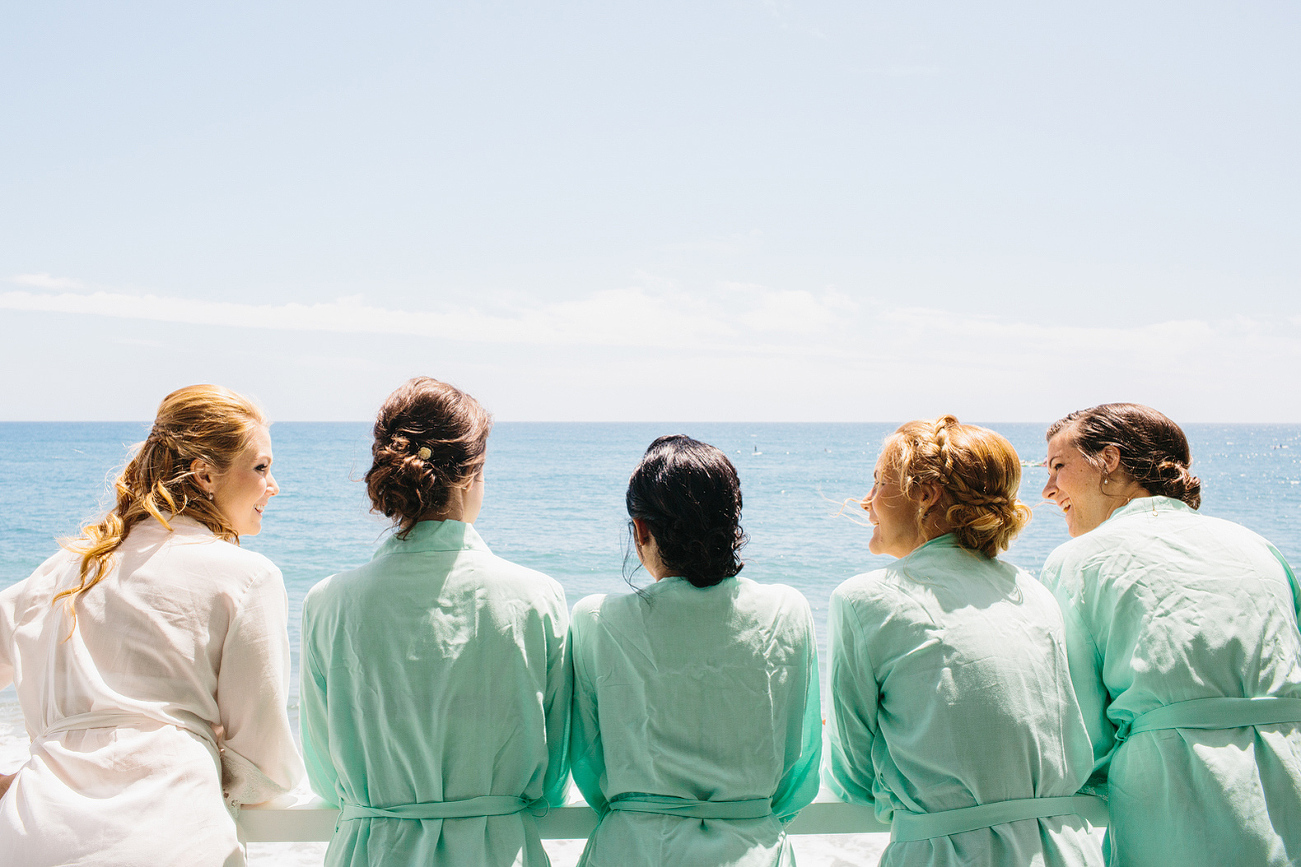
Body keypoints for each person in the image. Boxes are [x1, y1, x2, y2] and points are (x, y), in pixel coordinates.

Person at [0, 384, 304, 867]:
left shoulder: (59, 571)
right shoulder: (247, 577)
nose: (274, 485)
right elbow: (262, 759)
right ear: (205, 473)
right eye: (262, 467)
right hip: (172, 831)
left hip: (33, 831)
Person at [300, 376, 570, 867]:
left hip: (371, 851)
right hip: (498, 849)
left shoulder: (329, 602)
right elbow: (550, 778)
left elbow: (324, 774)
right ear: (471, 474)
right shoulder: (537, 597)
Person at [826, 416, 1103, 867]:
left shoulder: (865, 600)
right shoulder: (1033, 592)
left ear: (924, 493)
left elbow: (852, 775)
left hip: (950, 853)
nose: (866, 501)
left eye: (879, 482)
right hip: (1066, 847)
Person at [1039, 403, 1301, 866]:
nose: (1047, 489)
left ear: (1111, 460)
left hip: (1176, 794)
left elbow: (1077, 727)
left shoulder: (1078, 560)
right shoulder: (1258, 545)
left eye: (1058, 467)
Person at [569, 435, 821, 867]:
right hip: (751, 849)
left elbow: (588, 763)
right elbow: (801, 769)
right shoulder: (788, 610)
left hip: (634, 848)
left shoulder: (597, 619)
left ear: (642, 529)